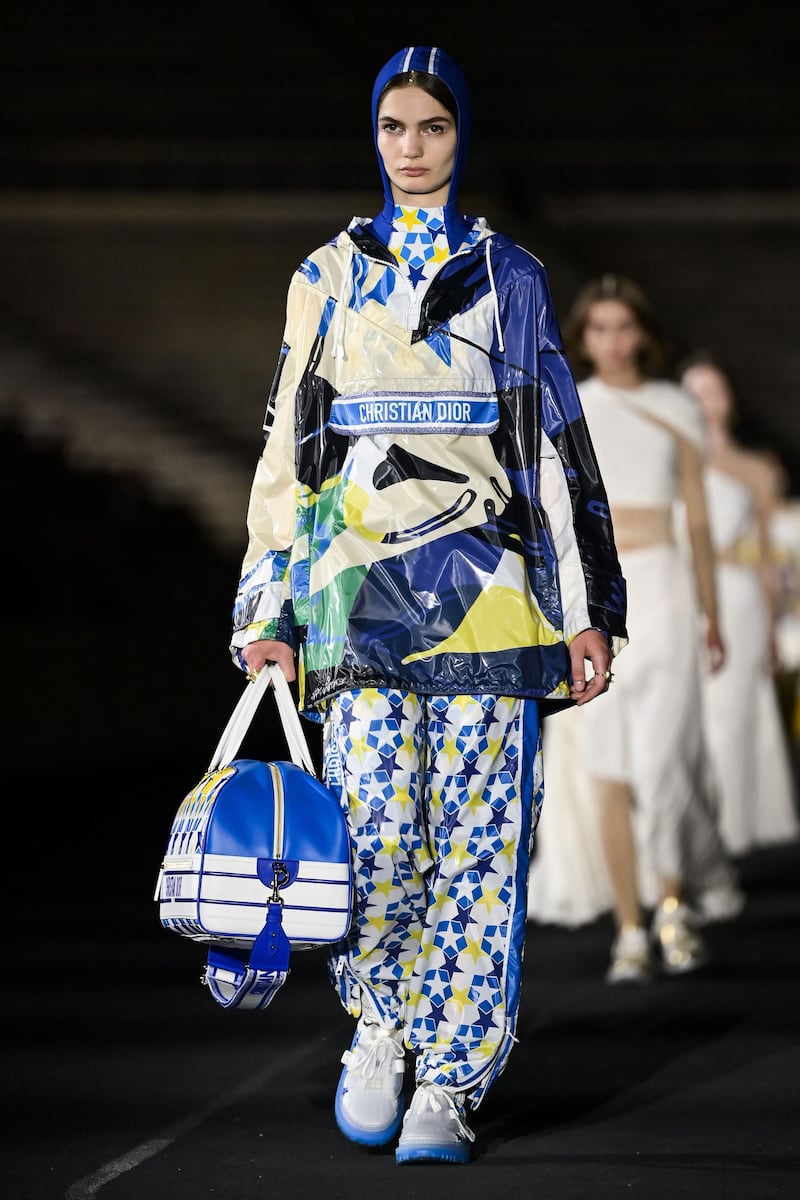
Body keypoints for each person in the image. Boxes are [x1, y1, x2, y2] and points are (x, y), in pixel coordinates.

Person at [229, 46, 627, 1166]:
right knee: (378, 844)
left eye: (432, 127)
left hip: (493, 600)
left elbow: (557, 444)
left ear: (461, 135)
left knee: (480, 851)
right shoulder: (323, 276)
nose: (411, 146)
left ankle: (450, 1082)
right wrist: (269, 601)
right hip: (354, 598)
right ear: (373, 134)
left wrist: (589, 604)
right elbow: (288, 452)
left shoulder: (513, 276)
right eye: (394, 126)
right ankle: (381, 1025)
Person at [528, 275, 744, 982]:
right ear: (582, 336)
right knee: (605, 762)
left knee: (668, 756)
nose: (613, 341)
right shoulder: (569, 405)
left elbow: (700, 517)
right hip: (599, 597)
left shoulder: (674, 405)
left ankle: (673, 905)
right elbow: (554, 516)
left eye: (624, 328)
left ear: (643, 333)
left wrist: (712, 611)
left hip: (669, 588)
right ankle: (628, 925)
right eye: (599, 329)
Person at [679, 355, 799, 854]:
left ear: (728, 401)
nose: (705, 403)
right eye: (695, 393)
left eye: (714, 392)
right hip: (682, 594)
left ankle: (734, 821)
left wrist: (775, 626)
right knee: (691, 713)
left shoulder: (753, 468)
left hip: (740, 597)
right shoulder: (670, 461)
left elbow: (770, 556)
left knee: (734, 708)